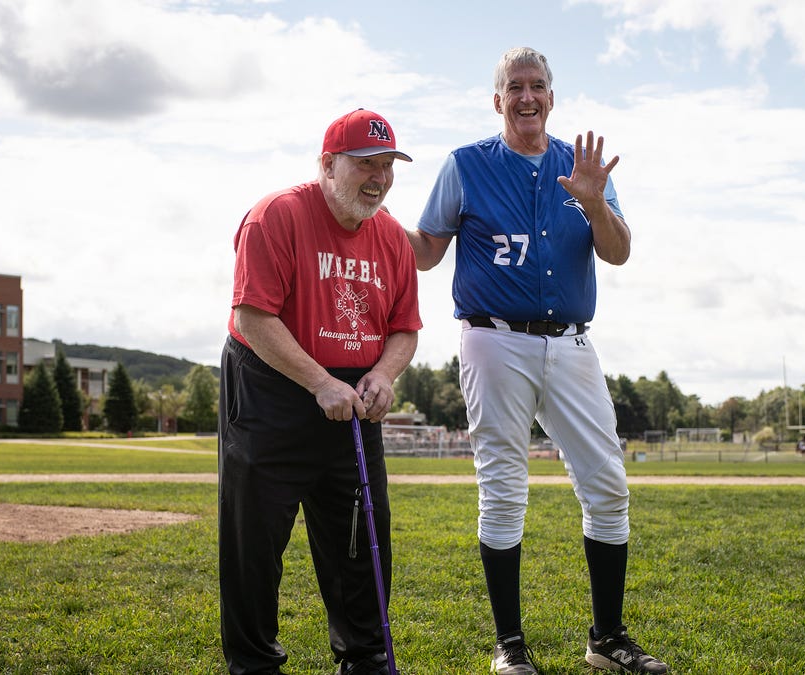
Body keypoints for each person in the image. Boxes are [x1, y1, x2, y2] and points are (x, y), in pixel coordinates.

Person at [407, 47, 669, 674]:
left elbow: (619, 253)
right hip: (493, 338)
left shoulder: (583, 168)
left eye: (538, 86)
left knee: (607, 484)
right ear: (497, 99)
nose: (527, 97)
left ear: (553, 96)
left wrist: (593, 200)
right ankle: (510, 646)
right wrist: (374, 222)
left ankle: (606, 639)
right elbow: (424, 254)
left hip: (573, 340)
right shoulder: (466, 165)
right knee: (503, 488)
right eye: (514, 87)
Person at [218, 109, 421, 675]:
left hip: (354, 401)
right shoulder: (276, 216)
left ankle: (364, 657)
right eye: (364, 165)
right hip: (272, 391)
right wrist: (319, 381)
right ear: (329, 164)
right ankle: (255, 664)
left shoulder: (392, 238)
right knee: (254, 544)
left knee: (360, 539)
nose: (377, 177)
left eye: (387, 166)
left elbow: (405, 327)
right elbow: (254, 318)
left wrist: (383, 374)